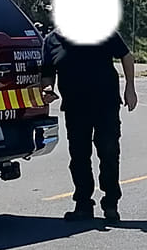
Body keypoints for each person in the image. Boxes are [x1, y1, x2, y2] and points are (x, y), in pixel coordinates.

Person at [45, 28, 138, 222]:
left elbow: (126, 56)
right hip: (74, 107)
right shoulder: (52, 40)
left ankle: (111, 203)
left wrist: (130, 87)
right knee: (79, 157)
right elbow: (48, 72)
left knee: (109, 153)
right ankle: (83, 205)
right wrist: (47, 89)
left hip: (105, 104)